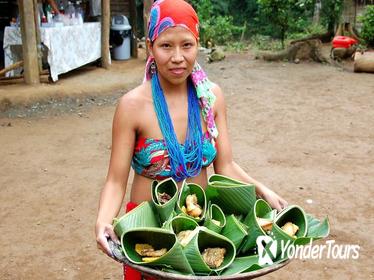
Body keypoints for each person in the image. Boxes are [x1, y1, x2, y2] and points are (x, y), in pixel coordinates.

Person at [95, 0, 288, 278]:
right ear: (150, 47)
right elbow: (115, 179)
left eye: (187, 45)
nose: (177, 57)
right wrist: (103, 220)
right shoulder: (131, 106)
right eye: (165, 46)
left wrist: (261, 190)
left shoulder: (211, 97)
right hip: (149, 229)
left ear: (198, 44)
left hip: (202, 225)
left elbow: (226, 166)